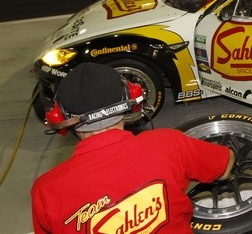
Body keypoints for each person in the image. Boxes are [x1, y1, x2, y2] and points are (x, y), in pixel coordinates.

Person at [31, 63, 235, 234]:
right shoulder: (168, 143)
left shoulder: (45, 191)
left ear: (59, 117)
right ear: (131, 95)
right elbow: (225, 165)